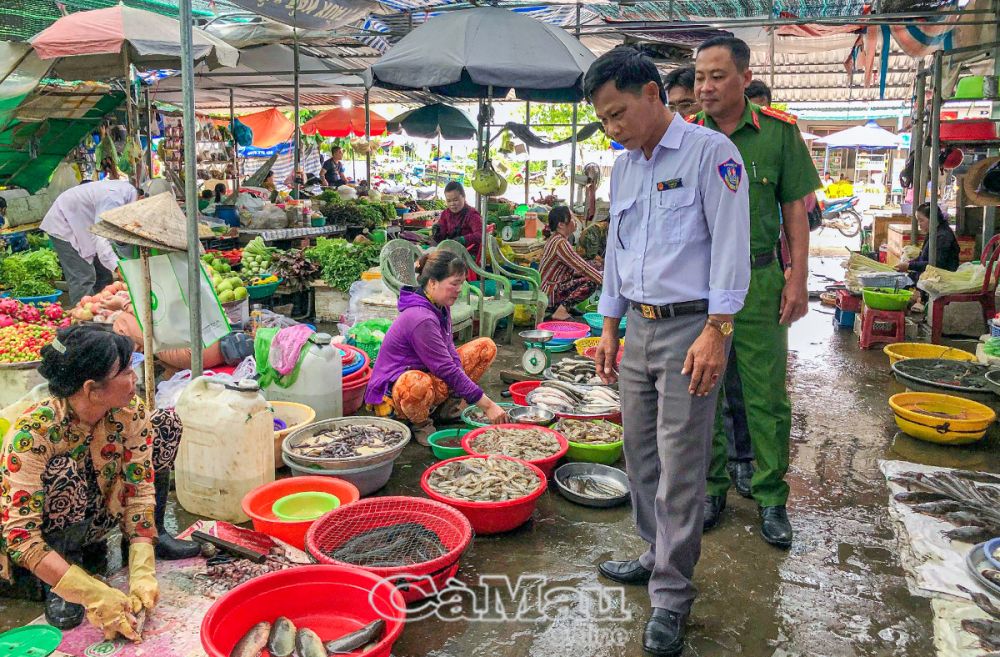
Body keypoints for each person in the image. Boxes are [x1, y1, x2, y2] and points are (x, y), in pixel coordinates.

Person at [586, 46, 750, 656]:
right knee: (639, 453)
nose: (612, 127)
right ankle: (654, 554)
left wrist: (718, 330)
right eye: (604, 119)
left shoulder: (714, 155)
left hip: (691, 333)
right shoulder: (624, 167)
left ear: (652, 93)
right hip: (639, 330)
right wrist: (609, 326)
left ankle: (672, 597)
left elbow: (731, 249)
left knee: (681, 466)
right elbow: (615, 254)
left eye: (617, 113)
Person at [693, 36, 820, 548]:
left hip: (762, 280)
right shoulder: (687, 137)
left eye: (717, 76)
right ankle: (712, 488)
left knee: (766, 396)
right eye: (700, 76)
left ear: (745, 79)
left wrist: (798, 278)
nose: (705, 86)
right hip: (700, 287)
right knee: (705, 391)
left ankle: (770, 498)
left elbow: (796, 212)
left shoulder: (778, 135)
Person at [0, 325, 199, 634]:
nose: (135, 378)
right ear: (92, 389)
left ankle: (147, 539)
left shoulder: (128, 411)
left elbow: (140, 484)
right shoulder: (32, 435)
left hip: (100, 511)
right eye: (125, 371)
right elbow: (20, 539)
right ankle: (63, 577)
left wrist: (142, 565)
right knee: (62, 470)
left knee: (164, 423)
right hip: (46, 538)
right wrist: (90, 593)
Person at [364, 250, 507, 444]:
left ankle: (448, 408)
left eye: (461, 284)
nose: (459, 290)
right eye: (454, 284)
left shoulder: (440, 305)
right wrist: (487, 405)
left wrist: (461, 392)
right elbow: (445, 369)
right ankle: (420, 423)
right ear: (432, 283)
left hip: (428, 373)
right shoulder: (420, 317)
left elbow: (449, 352)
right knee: (415, 382)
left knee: (485, 347)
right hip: (395, 392)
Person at [40, 180, 137, 306]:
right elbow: (101, 237)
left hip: (84, 226)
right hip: (64, 225)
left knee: (104, 275)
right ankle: (82, 320)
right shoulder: (114, 198)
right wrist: (118, 268)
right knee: (83, 277)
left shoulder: (129, 193)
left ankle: (105, 310)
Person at [541, 207, 603, 320]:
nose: (575, 220)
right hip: (550, 293)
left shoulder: (556, 239)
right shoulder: (560, 243)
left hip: (553, 285)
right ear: (561, 224)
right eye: (572, 217)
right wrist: (603, 281)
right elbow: (582, 267)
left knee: (595, 266)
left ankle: (565, 307)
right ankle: (560, 311)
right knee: (592, 281)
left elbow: (579, 265)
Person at [896, 203, 960, 281]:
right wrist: (910, 263)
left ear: (933, 219)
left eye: (921, 220)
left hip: (940, 280)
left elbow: (936, 264)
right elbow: (923, 257)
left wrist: (909, 266)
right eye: (918, 221)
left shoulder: (943, 236)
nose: (919, 224)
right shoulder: (933, 232)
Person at [431, 182, 484, 264]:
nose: (452, 204)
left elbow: (481, 235)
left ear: (463, 197)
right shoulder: (446, 213)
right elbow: (442, 236)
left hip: (469, 254)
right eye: (449, 201)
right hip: (451, 251)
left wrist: (463, 239)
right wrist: (437, 232)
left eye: (455, 200)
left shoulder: (472, 214)